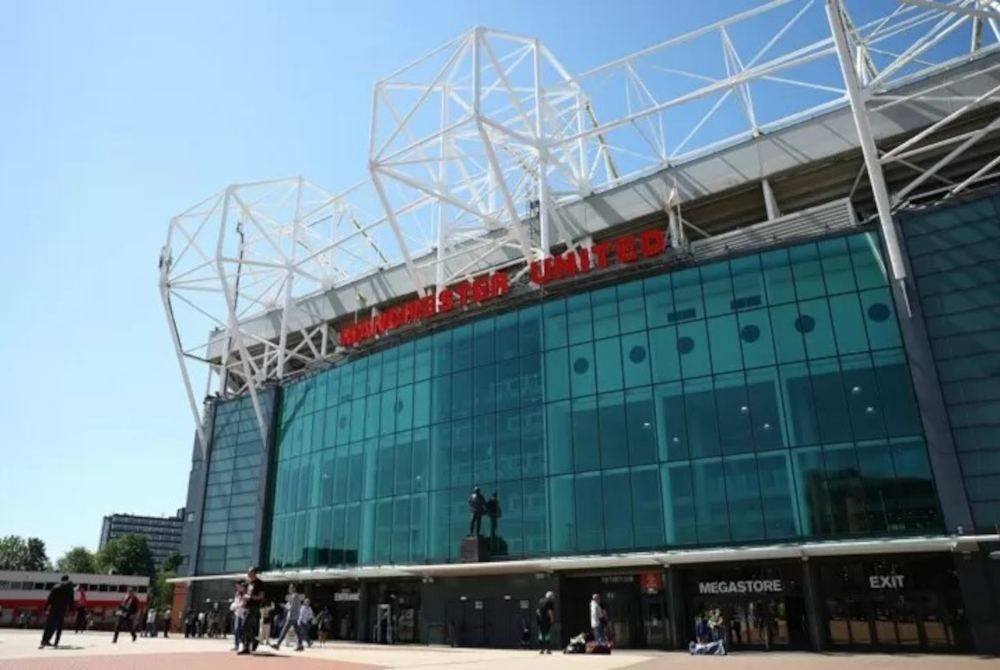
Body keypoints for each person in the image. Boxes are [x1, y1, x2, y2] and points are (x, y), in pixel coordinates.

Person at [39, 575, 74, 649]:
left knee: (49, 626)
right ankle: (56, 642)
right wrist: (72, 611)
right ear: (67, 580)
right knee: (59, 627)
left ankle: (44, 641)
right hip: (62, 610)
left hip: (53, 610)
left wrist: (45, 608)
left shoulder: (55, 587)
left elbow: (49, 599)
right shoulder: (69, 589)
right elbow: (71, 601)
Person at [238, 566, 266, 655]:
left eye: (250, 572)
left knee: (245, 625)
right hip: (247, 607)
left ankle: (253, 641)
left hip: (254, 607)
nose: (248, 574)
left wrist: (251, 597)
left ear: (254, 573)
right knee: (246, 627)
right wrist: (244, 598)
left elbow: (261, 596)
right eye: (248, 572)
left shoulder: (259, 583)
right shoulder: (249, 583)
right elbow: (245, 594)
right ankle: (247, 646)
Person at [270, 583, 304, 651]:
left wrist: (284, 606)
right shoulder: (294, 596)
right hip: (294, 616)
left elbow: (292, 607)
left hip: (292, 616)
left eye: (291, 587)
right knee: (297, 631)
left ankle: (278, 644)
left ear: (294, 588)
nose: (289, 589)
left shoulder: (294, 596)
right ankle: (300, 645)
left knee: (284, 630)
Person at [230, 582, 247, 652]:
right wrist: (233, 606)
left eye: (239, 586)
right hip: (237, 613)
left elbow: (244, 603)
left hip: (243, 613)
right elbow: (236, 602)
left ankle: (244, 645)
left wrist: (237, 606)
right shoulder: (237, 594)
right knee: (236, 629)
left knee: (243, 630)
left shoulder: (245, 594)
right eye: (237, 587)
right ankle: (236, 645)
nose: (238, 588)